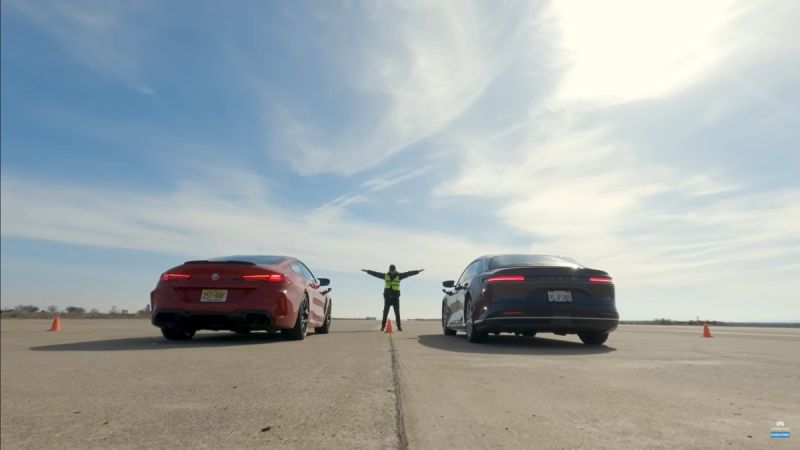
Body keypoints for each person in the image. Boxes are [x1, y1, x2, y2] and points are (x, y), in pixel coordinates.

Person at [361, 264, 424, 331]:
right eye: (391, 271)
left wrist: (417, 271)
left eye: (393, 271)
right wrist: (367, 271)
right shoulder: (385, 276)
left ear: (395, 270)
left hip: (395, 298)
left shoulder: (399, 276)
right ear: (389, 270)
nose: (392, 272)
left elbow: (408, 273)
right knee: (385, 313)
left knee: (397, 313)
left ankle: (399, 327)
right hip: (387, 298)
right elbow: (376, 274)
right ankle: (383, 326)